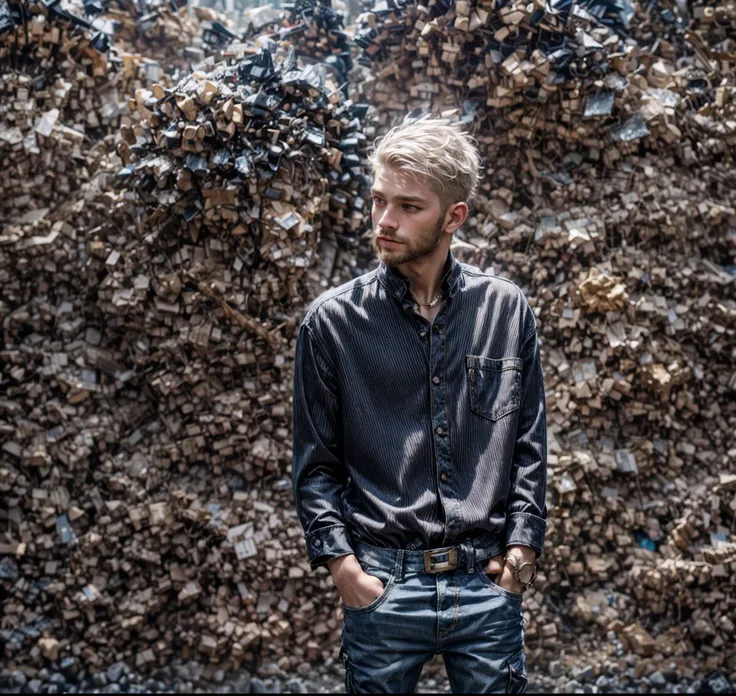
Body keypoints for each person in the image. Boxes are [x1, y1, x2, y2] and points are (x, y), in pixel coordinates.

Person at [291, 115, 547, 694]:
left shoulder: (506, 312)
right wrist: (344, 570)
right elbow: (315, 467)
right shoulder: (331, 324)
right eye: (379, 200)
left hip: (485, 588)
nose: (384, 221)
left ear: (454, 217)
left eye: (409, 206)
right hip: (383, 585)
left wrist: (521, 558)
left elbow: (528, 444)